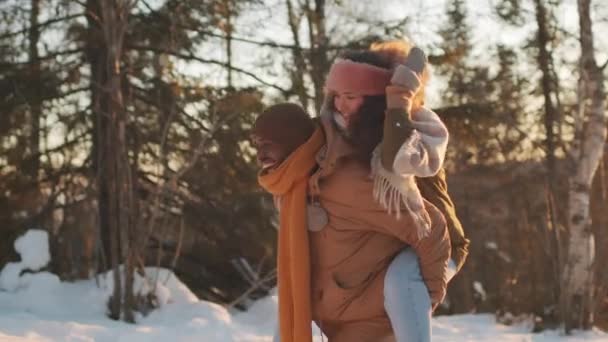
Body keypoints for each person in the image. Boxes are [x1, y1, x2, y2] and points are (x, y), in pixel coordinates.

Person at [256, 41, 466, 342]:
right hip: (393, 237)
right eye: (336, 95)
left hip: (435, 239)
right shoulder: (339, 130)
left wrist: (399, 98)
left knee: (402, 281)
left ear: (376, 99)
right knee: (295, 296)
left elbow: (400, 168)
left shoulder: (409, 129)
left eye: (351, 97)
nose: (340, 105)